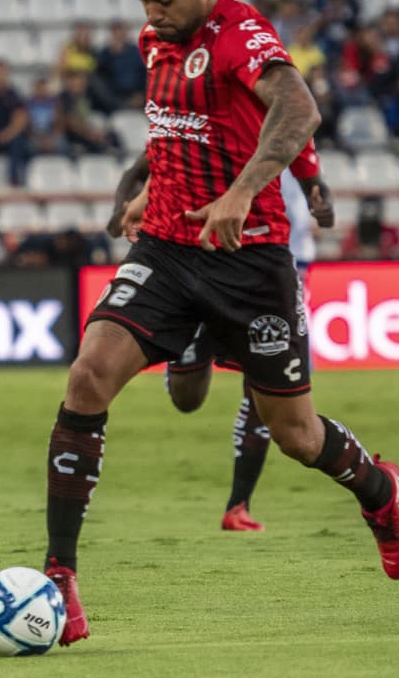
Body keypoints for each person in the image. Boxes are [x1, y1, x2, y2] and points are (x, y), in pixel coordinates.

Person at [44, 0, 399, 649]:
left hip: (250, 262)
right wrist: (144, 182)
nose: (151, 12)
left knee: (296, 433)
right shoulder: (157, 40)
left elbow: (297, 107)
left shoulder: (242, 33)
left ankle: (379, 490)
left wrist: (247, 191)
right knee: (87, 376)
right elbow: (174, 128)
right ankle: (61, 574)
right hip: (169, 249)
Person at [106, 153, 335, 531]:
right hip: (199, 263)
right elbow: (140, 167)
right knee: (187, 398)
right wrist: (121, 207)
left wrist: (319, 196)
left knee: (266, 390)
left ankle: (238, 506)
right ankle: (192, 346)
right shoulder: (211, 128)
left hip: (273, 267)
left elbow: (310, 171)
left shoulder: (287, 123)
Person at [339, 195, 399, 259]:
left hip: (385, 267)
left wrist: (390, 251)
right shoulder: (353, 233)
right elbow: (344, 254)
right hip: (361, 267)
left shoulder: (391, 232)